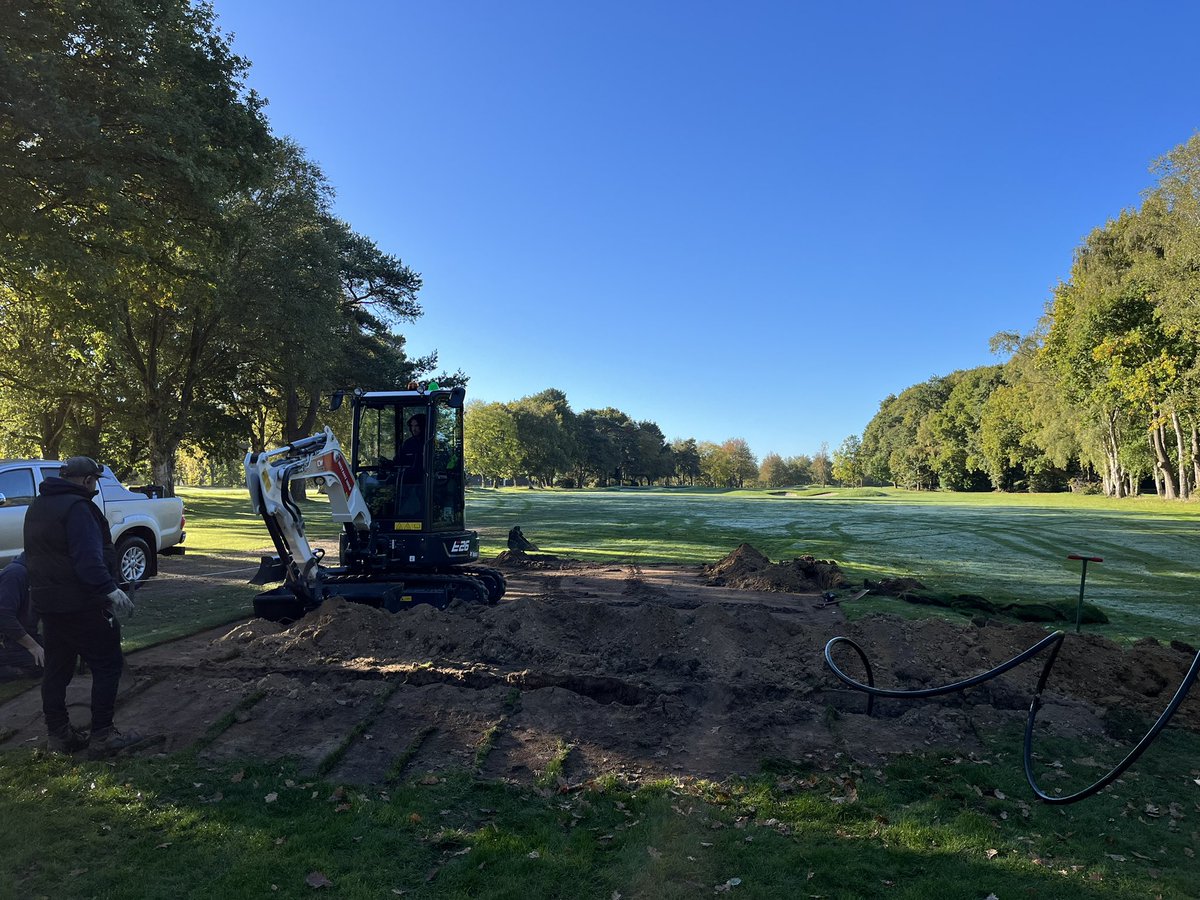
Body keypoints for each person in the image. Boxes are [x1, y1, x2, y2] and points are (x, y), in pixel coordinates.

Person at [23, 456, 141, 756]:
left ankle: (59, 736)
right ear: (87, 480)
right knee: (107, 664)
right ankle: (103, 735)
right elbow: (87, 558)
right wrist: (109, 589)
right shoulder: (78, 508)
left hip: (49, 605)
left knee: (56, 670)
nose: (95, 487)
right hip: (82, 603)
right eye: (95, 481)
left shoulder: (38, 506)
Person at [0, 553, 43, 679]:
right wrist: (33, 646)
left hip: (20, 637)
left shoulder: (37, 574)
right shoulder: (15, 574)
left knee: (58, 658)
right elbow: (4, 616)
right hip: (7, 639)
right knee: (42, 664)